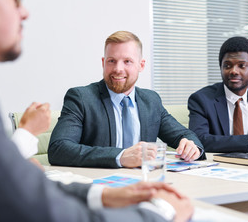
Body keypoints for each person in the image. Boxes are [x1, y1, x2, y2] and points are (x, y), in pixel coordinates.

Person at [0, 0, 194, 221]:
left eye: (127, 62)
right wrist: (160, 213)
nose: (24, 11)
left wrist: (103, 195)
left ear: (141, 65)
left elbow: (13, 183)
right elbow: (28, 194)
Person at [48, 30, 205, 168]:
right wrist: (121, 156)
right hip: (102, 187)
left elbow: (184, 135)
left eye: (127, 61)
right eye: (112, 61)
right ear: (103, 63)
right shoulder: (81, 98)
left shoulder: (151, 100)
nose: (118, 69)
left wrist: (192, 146)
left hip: (143, 183)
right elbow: (59, 149)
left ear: (141, 65)